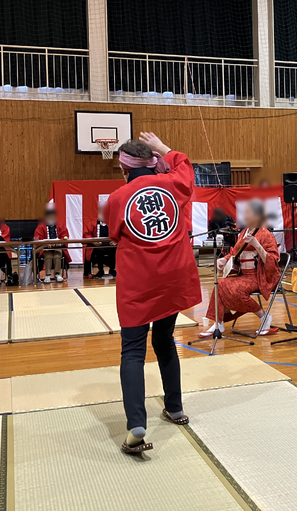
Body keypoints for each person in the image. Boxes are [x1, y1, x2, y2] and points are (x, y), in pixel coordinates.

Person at [104, 132, 201, 455]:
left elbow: (115, 233)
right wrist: (164, 148)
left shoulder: (118, 198)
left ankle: (136, 425)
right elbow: (185, 166)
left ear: (123, 168)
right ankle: (175, 407)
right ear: (152, 161)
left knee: (133, 351)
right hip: (172, 279)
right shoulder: (173, 184)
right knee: (164, 340)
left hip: (139, 283)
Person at [199, 198, 280, 338]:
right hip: (243, 275)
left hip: (258, 276)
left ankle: (264, 317)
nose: (244, 216)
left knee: (236, 290)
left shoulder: (266, 234)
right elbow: (234, 253)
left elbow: (273, 261)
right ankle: (218, 323)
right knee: (219, 284)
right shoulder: (243, 233)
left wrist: (257, 245)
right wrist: (223, 260)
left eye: (248, 213)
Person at [33, 207, 70, 283]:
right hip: (46, 248)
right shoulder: (41, 226)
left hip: (58, 247)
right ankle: (48, 275)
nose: (51, 218)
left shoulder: (61, 225)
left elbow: (65, 236)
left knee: (57, 255)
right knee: (48, 256)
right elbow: (37, 238)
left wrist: (58, 242)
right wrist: (46, 243)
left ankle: (57, 274)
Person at [83, 202, 115, 279]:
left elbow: (118, 233)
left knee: (115, 250)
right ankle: (100, 270)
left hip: (110, 245)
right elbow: (86, 235)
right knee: (99, 251)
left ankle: (112, 270)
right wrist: (94, 241)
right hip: (98, 245)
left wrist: (115, 241)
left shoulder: (112, 222)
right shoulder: (92, 223)